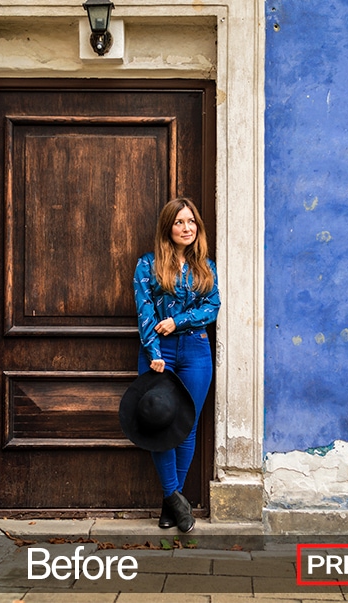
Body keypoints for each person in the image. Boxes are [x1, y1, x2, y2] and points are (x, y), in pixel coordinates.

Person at [133, 197, 220, 532]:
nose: (187, 228)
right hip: (159, 353)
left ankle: (172, 506)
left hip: (196, 350)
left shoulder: (205, 267)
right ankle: (174, 498)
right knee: (158, 424)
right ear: (168, 228)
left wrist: (178, 321)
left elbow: (212, 307)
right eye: (179, 222)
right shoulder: (148, 265)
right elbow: (144, 314)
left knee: (186, 424)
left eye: (191, 222)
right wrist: (154, 352)